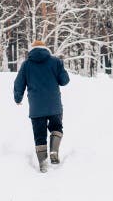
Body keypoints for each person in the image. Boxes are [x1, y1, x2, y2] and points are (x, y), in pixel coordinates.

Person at [13, 40, 70, 173]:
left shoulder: (26, 64)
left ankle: (43, 163)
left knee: (39, 135)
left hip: (36, 107)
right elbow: (65, 81)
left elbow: (19, 83)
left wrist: (17, 98)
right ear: (45, 49)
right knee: (57, 127)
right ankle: (54, 151)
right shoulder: (56, 62)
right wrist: (60, 69)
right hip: (54, 105)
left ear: (32, 50)